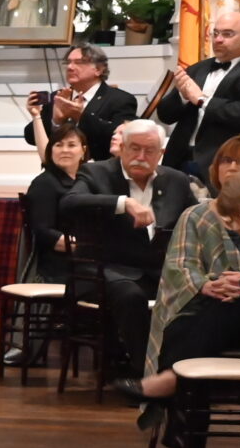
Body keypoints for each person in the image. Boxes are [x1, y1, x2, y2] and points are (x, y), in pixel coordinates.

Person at [129, 152, 240, 402]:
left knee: (225, 308)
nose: (234, 168)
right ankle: (176, 388)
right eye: (227, 160)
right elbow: (181, 267)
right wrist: (225, 284)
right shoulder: (198, 215)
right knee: (194, 312)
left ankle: (173, 384)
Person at [60, 118, 199, 376]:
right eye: (134, 148)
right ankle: (146, 374)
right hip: (103, 270)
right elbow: (70, 202)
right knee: (130, 296)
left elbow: (196, 219)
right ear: (122, 148)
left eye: (149, 151)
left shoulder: (176, 180)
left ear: (161, 153)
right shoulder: (96, 172)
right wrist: (123, 203)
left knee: (201, 292)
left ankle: (186, 370)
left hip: (156, 272)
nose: (141, 157)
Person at [153, 6, 240, 178]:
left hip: (228, 167)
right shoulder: (197, 69)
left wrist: (201, 100)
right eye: (215, 33)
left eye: (227, 34)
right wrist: (183, 96)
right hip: (179, 163)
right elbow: (165, 115)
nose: (218, 39)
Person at [23, 44, 135, 161]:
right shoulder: (58, 97)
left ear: (98, 69)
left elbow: (122, 140)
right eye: (68, 62)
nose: (70, 67)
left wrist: (81, 116)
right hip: (56, 169)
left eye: (79, 62)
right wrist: (55, 121)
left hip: (98, 169)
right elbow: (30, 138)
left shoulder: (121, 100)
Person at [21, 123, 90, 285]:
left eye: (71, 145)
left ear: (83, 150)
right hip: (60, 266)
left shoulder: (88, 179)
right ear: (50, 150)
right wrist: (86, 247)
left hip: (87, 259)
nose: (64, 150)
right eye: (58, 145)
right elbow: (43, 231)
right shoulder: (44, 183)